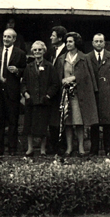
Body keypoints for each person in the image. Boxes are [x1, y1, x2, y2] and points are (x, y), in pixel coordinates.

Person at [55, 32, 98, 156]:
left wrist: (74, 78)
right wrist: (63, 81)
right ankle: (69, 148)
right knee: (67, 122)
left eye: (70, 42)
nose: (68, 44)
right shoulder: (62, 58)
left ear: (76, 43)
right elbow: (58, 75)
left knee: (79, 122)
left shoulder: (84, 57)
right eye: (67, 42)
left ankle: (81, 148)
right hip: (66, 94)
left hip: (80, 95)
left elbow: (88, 75)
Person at [0, 28, 27, 156]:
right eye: (4, 36)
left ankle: (12, 148)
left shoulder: (20, 53)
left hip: (12, 90)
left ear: (14, 39)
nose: (6, 39)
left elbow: (25, 71)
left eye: (9, 37)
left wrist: (17, 70)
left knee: (13, 121)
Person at [21, 41, 60, 156]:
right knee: (29, 125)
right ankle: (30, 148)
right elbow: (23, 83)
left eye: (39, 50)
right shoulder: (29, 67)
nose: (37, 52)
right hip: (31, 100)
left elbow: (55, 84)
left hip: (44, 101)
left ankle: (43, 149)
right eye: (35, 50)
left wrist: (48, 95)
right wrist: (25, 93)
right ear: (32, 52)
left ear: (44, 51)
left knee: (43, 125)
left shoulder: (49, 66)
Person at [89, 33, 110, 156]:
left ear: (104, 43)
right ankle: (94, 150)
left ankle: (108, 149)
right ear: (93, 43)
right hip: (93, 93)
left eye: (101, 41)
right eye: (96, 41)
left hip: (108, 94)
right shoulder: (88, 57)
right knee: (94, 123)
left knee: (108, 123)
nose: (98, 43)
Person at [47, 25, 68, 154]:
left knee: (62, 118)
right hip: (52, 90)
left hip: (63, 89)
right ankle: (53, 144)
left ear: (60, 38)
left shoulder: (67, 51)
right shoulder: (51, 51)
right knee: (53, 118)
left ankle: (62, 145)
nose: (51, 38)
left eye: (53, 36)